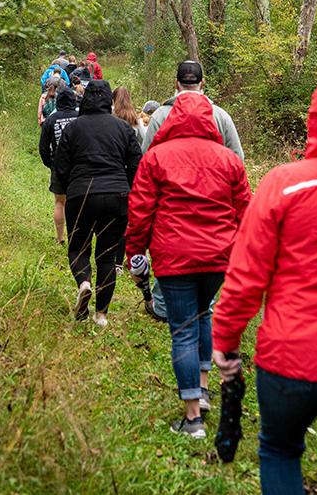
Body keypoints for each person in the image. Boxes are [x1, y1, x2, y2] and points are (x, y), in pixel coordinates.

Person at [212, 74, 317, 495]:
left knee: (278, 450)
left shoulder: (284, 184)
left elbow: (247, 273)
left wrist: (225, 340)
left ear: (316, 121)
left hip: (290, 357)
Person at [126, 91, 251, 438]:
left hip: (173, 256)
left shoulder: (156, 159)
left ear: (174, 117)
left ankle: (193, 418)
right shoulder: (229, 160)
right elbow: (245, 210)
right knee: (204, 313)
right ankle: (205, 386)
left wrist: (135, 253)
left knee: (182, 329)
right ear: (209, 120)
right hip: (217, 257)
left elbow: (139, 212)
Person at [143, 60, 245, 321]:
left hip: (169, 204)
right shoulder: (221, 116)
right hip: (213, 206)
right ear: (202, 83)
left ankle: (166, 306)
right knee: (207, 257)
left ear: (176, 83)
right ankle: (201, 310)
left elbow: (145, 160)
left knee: (170, 252)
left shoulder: (160, 116)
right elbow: (238, 161)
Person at [55, 80, 141, 327]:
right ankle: (101, 315)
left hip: (81, 195)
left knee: (78, 248)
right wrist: (129, 190)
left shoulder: (73, 129)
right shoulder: (123, 129)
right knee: (107, 256)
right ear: (108, 100)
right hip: (116, 196)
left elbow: (61, 166)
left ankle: (83, 282)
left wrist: (64, 189)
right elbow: (137, 164)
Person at [39, 88, 78, 244]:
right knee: (79, 203)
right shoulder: (80, 117)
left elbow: (43, 147)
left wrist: (51, 164)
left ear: (59, 101)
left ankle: (60, 238)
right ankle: (76, 237)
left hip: (59, 165)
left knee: (60, 202)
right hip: (79, 166)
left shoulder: (51, 120)